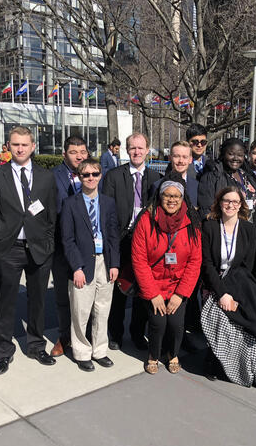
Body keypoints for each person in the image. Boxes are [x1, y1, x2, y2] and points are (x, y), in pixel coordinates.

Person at [0, 126, 58, 375]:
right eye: (15, 144)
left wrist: (49, 244)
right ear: (8, 146)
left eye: (24, 144)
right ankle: (4, 351)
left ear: (32, 146)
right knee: (5, 304)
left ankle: (36, 345)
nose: (20, 149)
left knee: (38, 301)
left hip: (39, 248)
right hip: (9, 248)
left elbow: (51, 214)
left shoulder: (46, 177)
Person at [200, 186, 256, 388]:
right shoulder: (209, 226)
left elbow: (247, 267)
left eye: (235, 202)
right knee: (219, 321)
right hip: (212, 283)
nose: (230, 205)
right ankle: (213, 363)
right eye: (226, 201)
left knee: (237, 324)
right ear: (219, 203)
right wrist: (221, 293)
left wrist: (233, 294)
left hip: (237, 282)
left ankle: (236, 364)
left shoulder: (248, 229)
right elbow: (207, 264)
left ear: (241, 205)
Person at [131, 173, 202, 374]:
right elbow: (139, 260)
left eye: (176, 196)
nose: (172, 200)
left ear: (183, 198)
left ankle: (173, 353)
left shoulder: (192, 222)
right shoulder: (146, 220)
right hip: (153, 284)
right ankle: (154, 354)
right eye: (167, 195)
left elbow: (195, 261)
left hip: (179, 285)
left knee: (177, 324)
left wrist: (180, 294)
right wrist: (153, 294)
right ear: (160, 196)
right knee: (158, 322)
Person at [102, 132, 161, 350]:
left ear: (147, 150)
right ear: (127, 150)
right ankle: (115, 333)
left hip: (145, 244)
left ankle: (137, 333)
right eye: (132, 148)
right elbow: (107, 212)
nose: (136, 152)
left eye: (140, 148)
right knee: (118, 290)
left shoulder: (156, 179)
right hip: (120, 241)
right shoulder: (114, 176)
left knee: (142, 292)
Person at [61, 158, 120, 371]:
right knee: (81, 310)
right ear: (79, 177)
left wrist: (115, 263)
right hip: (82, 264)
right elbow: (67, 240)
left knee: (103, 310)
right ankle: (82, 352)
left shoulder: (108, 202)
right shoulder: (70, 204)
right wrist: (76, 267)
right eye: (86, 175)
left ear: (100, 175)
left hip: (105, 262)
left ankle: (99, 350)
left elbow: (113, 235)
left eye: (95, 174)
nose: (91, 178)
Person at [198, 138, 256, 279]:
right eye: (231, 154)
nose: (236, 158)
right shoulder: (213, 176)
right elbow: (207, 211)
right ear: (223, 153)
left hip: (252, 236)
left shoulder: (246, 174)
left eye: (240, 154)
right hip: (229, 240)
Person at [50, 135, 88, 357]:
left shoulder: (94, 174)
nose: (79, 156)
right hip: (62, 245)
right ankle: (64, 337)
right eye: (74, 152)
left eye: (82, 152)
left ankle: (84, 335)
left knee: (86, 296)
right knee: (63, 297)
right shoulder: (53, 177)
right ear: (64, 154)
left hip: (88, 246)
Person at [154, 141, 199, 207]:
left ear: (190, 160)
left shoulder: (197, 186)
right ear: (170, 158)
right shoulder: (157, 186)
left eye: (185, 157)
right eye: (176, 156)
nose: (180, 161)